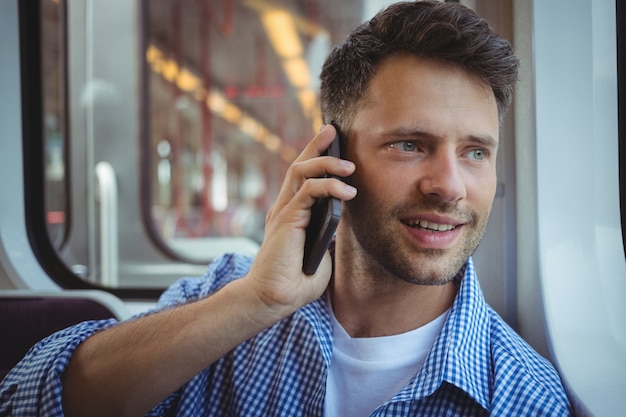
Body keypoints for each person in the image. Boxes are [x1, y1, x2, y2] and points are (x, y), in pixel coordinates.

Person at [1, 1, 572, 416]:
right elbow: (28, 398)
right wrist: (256, 302)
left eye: (475, 152)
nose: (449, 185)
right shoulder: (225, 295)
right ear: (331, 153)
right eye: (410, 144)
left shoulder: (520, 393)